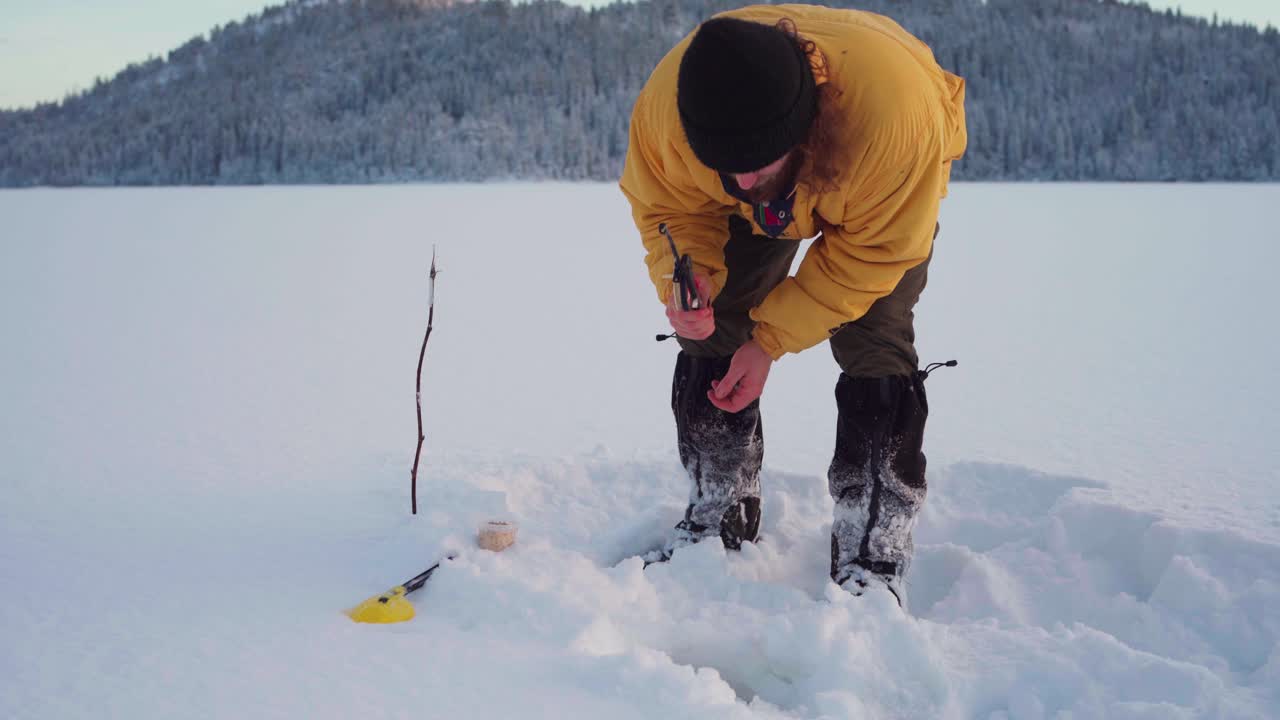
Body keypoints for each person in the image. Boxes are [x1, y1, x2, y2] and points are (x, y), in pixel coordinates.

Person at [618, 5, 967, 605]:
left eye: (756, 166)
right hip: (784, 168)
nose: (745, 184)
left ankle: (872, 547)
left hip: (874, 188)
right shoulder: (668, 116)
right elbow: (670, 210)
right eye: (725, 169)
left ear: (803, 129)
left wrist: (770, 341)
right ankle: (719, 511)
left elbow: (873, 257)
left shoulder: (892, 123)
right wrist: (689, 279)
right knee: (710, 324)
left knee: (873, 338)